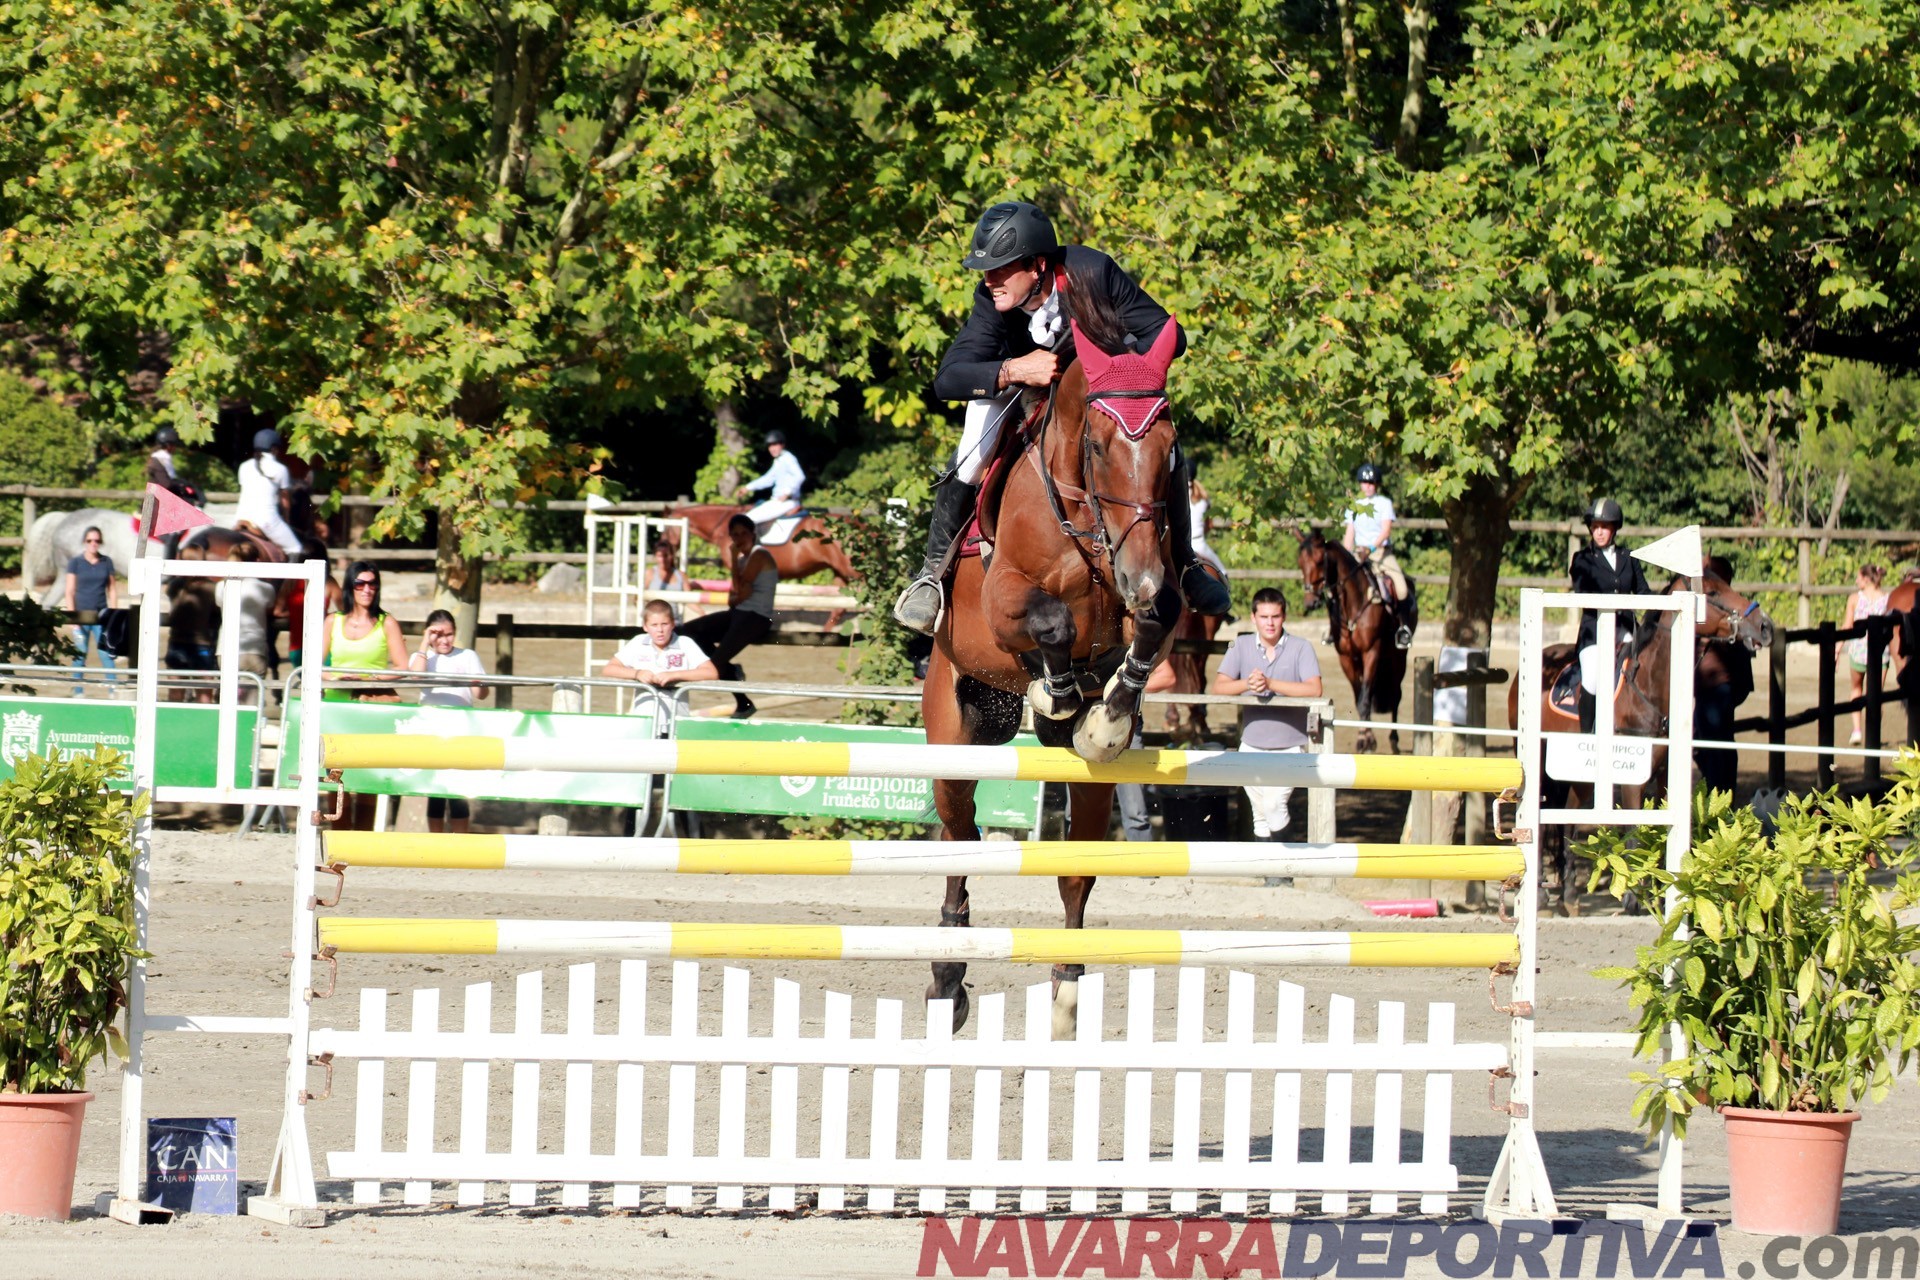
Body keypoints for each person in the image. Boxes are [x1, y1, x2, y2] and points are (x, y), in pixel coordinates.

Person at [892, 200, 1230, 634]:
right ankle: (931, 575)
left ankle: (1186, 565)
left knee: (1162, 446)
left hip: (1096, 393)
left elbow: (1170, 336)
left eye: (999, 269)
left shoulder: (1093, 271)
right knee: (973, 455)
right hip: (1018, 389)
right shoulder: (989, 299)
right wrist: (1013, 369)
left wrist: (1111, 364)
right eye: (986, 271)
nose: (989, 280)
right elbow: (948, 379)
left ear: (1037, 266)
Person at [1211, 589, 1322, 850]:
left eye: (1275, 616)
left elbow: (1314, 689)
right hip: (1251, 744)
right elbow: (1219, 687)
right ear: (1253, 618)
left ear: (1284, 617)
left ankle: (1288, 863)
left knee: (1273, 805)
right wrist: (1247, 684)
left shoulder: (1301, 647)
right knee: (1259, 815)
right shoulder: (1241, 645)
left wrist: (1271, 683)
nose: (1270, 623)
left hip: (1291, 745)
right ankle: (1269, 869)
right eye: (1264, 617)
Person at [1568, 497, 1653, 734]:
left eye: (1604, 527)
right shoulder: (1582, 559)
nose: (1599, 532)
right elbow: (1583, 594)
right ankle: (1587, 734)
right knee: (1593, 679)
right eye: (1595, 527)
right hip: (1594, 632)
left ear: (1614, 528)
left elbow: (1643, 591)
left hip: (1627, 630)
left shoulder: (1629, 557)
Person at [679, 514, 776, 718]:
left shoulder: (759, 555)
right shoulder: (743, 559)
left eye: (744, 534)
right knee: (689, 631)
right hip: (739, 613)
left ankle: (741, 697)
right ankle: (732, 675)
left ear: (753, 534)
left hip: (756, 617)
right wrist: (737, 593)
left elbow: (738, 593)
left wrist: (732, 560)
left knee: (714, 665)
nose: (740, 539)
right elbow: (735, 596)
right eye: (735, 535)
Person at [409, 609, 490, 834]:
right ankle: (436, 841)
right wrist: (425, 642)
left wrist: (478, 685)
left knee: (458, 791)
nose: (445, 641)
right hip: (431, 732)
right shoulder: (422, 657)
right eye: (439, 635)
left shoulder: (468, 656)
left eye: (449, 634)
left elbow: (481, 694)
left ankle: (460, 841)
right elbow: (416, 676)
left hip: (460, 731)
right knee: (435, 791)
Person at [1696, 554, 1753, 795]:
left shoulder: (1722, 608)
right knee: (1713, 740)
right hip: (1716, 684)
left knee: (1714, 742)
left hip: (1717, 683)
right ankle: (1723, 791)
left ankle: (1719, 792)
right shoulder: (1724, 605)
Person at [1342, 463, 1412, 649]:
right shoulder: (1353, 504)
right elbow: (1350, 533)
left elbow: (1386, 531)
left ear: (1377, 484)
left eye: (1372, 483)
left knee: (1402, 587)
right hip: (1358, 554)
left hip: (1380, 553)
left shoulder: (1384, 503)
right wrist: (1346, 555)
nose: (1368, 486)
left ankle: (1403, 628)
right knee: (1340, 586)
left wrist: (1371, 549)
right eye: (1365, 482)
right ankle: (1335, 628)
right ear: (1360, 484)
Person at [321, 560, 408, 702]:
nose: (367, 590)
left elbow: (403, 667)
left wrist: (368, 679)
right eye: (360, 584)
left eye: (372, 584)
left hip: (371, 702)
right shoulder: (332, 621)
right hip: (335, 701)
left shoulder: (387, 623)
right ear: (350, 586)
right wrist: (334, 679)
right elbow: (313, 664)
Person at [602, 600, 720, 694]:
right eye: (654, 625)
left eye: (664, 624)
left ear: (673, 624)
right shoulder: (638, 642)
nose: (660, 630)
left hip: (675, 713)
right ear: (645, 627)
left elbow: (711, 672)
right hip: (645, 713)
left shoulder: (685, 643)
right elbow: (609, 669)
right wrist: (637, 673)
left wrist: (674, 675)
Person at [216, 542, 278, 707]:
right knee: (252, 702)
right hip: (255, 648)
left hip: (226, 647)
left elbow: (219, 603)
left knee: (229, 700)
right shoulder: (266, 588)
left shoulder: (221, 586)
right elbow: (271, 608)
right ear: (257, 561)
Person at [63, 524, 119, 697]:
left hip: (101, 615)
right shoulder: (75, 563)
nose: (93, 543)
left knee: (106, 654)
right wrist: (73, 618)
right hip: (81, 615)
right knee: (79, 654)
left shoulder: (106, 562)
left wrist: (113, 615)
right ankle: (78, 691)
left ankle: (113, 690)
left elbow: (112, 589)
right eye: (90, 540)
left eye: (97, 540)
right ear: (84, 542)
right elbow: (69, 591)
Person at [1840, 563, 1893, 746]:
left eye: (1858, 577)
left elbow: (1847, 626)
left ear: (1866, 579)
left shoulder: (1854, 599)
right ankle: (1873, 732)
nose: (1856, 581)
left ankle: (1857, 730)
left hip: (1858, 651)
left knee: (1856, 689)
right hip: (1881, 653)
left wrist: (1837, 649)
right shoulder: (1888, 599)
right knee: (1876, 693)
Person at [235, 427, 304, 559]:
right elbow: (285, 501)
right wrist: (286, 519)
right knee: (295, 548)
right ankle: (289, 572)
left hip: (241, 517)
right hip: (266, 520)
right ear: (274, 449)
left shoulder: (244, 466)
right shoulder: (281, 469)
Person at [163, 544, 220, 703]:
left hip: (178, 642)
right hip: (202, 643)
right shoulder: (211, 588)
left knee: (175, 691)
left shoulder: (176, 586)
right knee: (204, 692)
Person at [736, 430, 805, 531]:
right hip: (777, 501)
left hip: (787, 502)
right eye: (770, 446)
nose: (772, 448)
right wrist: (748, 488)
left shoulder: (788, 458)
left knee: (746, 520)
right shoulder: (779, 460)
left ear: (782, 445)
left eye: (775, 444)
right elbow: (768, 479)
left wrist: (787, 492)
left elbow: (800, 476)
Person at [1187, 477, 1228, 581]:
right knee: (1223, 572)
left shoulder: (1177, 494)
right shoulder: (1203, 498)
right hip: (1199, 543)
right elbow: (1209, 525)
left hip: (1180, 544)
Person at [645, 539, 689, 620]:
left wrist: (702, 613)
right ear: (655, 557)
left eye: (666, 555)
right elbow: (638, 599)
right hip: (654, 620)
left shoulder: (681, 575)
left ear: (672, 556)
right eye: (660, 556)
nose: (663, 560)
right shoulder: (650, 573)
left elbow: (690, 600)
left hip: (674, 621)